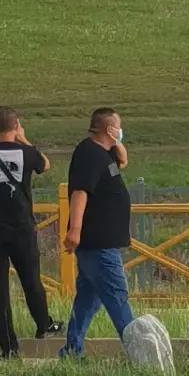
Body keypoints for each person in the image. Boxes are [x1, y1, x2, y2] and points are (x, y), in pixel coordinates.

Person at [0, 106, 63, 358]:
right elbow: (46, 164)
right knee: (32, 279)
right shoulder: (28, 153)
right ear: (16, 125)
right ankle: (44, 325)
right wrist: (23, 138)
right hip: (22, 229)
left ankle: (9, 348)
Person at [60, 107, 135, 358]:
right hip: (97, 241)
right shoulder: (89, 154)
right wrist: (75, 229)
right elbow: (80, 192)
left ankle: (72, 350)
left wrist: (117, 145)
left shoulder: (105, 154)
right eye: (118, 127)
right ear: (108, 129)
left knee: (88, 300)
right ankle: (138, 351)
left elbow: (123, 162)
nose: (121, 131)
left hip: (104, 240)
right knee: (116, 295)